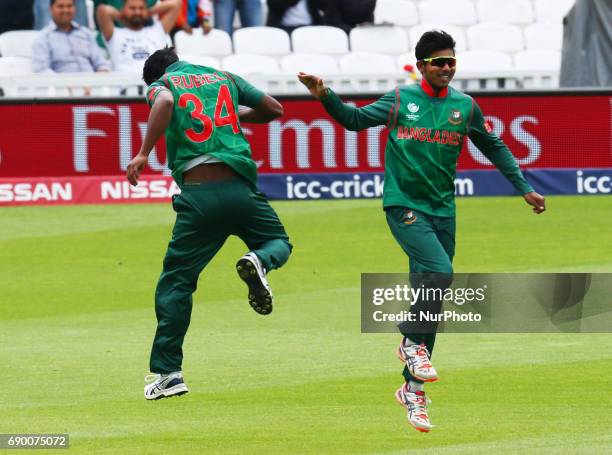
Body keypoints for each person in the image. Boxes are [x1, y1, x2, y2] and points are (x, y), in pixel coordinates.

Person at [298, 30, 546, 432]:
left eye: (451, 61)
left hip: (443, 211)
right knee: (439, 274)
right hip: (404, 205)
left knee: (431, 296)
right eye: (438, 62)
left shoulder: (464, 106)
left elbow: (494, 146)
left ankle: (413, 389)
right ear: (421, 66)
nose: (447, 68)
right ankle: (410, 343)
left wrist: (525, 188)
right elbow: (354, 121)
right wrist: (323, 93)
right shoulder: (400, 100)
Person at [127, 47, 292, 400]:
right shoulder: (225, 77)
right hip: (241, 188)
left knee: (177, 282)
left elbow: (165, 104)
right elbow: (275, 109)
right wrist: (234, 115)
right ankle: (260, 260)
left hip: (199, 195)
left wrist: (143, 152)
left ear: (155, 75)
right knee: (278, 242)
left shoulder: (161, 85)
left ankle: (169, 374)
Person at [96, 0, 180, 73]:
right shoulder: (114, 34)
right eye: (132, 8)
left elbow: (176, 4)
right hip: (124, 88)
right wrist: (122, 15)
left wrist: (149, 12)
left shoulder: (157, 30)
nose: (137, 12)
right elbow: (102, 10)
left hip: (154, 87)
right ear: (123, 9)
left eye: (141, 8)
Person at [32, 0, 109, 73]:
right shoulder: (43, 38)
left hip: (93, 84)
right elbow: (42, 70)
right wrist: (67, 84)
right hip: (61, 85)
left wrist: (99, 80)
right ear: (51, 9)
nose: (66, 10)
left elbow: (101, 64)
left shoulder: (86, 34)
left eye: (69, 6)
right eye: (60, 6)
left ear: (75, 8)